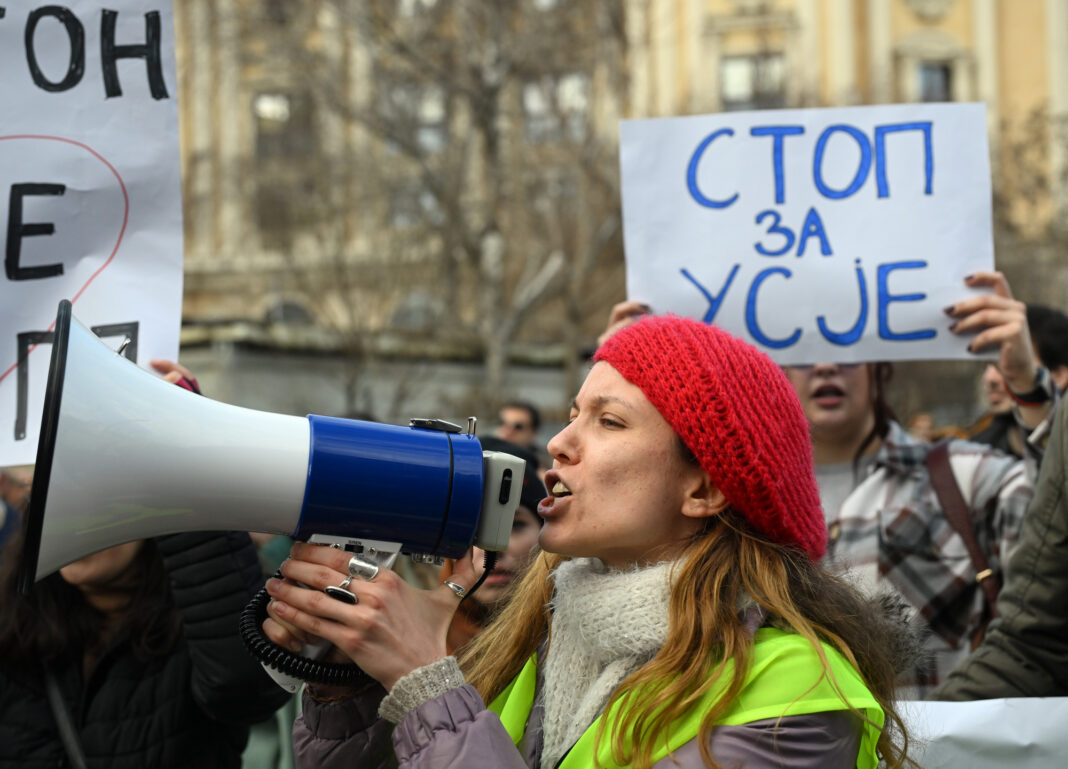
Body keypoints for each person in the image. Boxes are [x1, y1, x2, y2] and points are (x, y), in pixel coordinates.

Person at [264, 316, 914, 769]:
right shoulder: (541, 634)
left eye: (608, 420)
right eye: (573, 413)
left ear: (705, 490)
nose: (559, 442)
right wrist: (348, 674)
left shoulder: (796, 686)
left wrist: (426, 683)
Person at [600, 271, 1043, 698]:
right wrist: (616, 384)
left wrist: (1031, 388)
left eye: (848, 343)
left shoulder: (964, 477)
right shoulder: (720, 501)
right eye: (802, 348)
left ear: (879, 366)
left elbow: (1053, 529)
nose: (827, 365)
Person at [0, 360, 290, 769]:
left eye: (105, 503)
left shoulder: (196, 642)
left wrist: (185, 454)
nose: (77, 525)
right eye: (63, 501)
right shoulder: (20, 637)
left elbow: (244, 685)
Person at [930, 396, 1068, 699]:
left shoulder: (972, 471)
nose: (825, 368)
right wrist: (909, 737)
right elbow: (1035, 644)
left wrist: (1030, 394)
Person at [440, 436, 545, 654]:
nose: (493, 547)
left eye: (514, 525)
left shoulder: (564, 641)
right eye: (474, 528)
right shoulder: (415, 632)